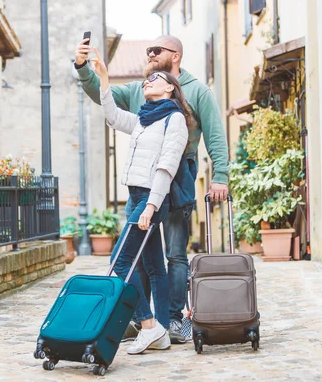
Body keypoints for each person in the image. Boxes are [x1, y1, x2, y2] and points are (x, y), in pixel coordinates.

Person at [74, 35, 229, 343]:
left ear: (175, 57)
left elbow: (214, 135)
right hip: (141, 184)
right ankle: (144, 320)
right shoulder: (138, 89)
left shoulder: (196, 92)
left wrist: (220, 175)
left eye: (156, 51)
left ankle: (169, 318)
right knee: (142, 257)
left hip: (176, 180)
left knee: (174, 253)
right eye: (148, 51)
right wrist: (83, 68)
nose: (150, 54)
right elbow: (102, 97)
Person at [88, 47, 189, 355]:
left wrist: (150, 206)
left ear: (170, 86)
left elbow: (166, 166)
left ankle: (147, 324)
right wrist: (104, 79)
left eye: (154, 78)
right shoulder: (145, 119)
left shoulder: (175, 120)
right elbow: (114, 116)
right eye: (146, 79)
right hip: (134, 196)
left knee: (119, 262)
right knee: (154, 266)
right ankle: (160, 331)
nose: (147, 81)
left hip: (149, 199)